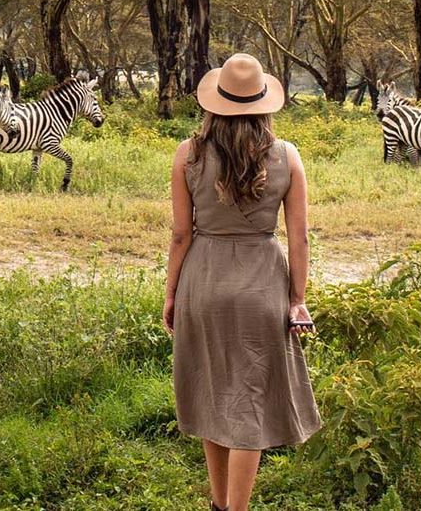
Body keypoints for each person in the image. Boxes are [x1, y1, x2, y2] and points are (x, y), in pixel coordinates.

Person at [163, 52, 323, 511]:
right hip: (261, 283)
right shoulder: (287, 156)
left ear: (215, 102)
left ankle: (220, 505)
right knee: (249, 403)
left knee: (211, 393)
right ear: (264, 103)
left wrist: (173, 293)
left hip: (203, 280)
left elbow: (180, 234)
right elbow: (300, 238)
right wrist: (297, 299)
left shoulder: (188, 153)